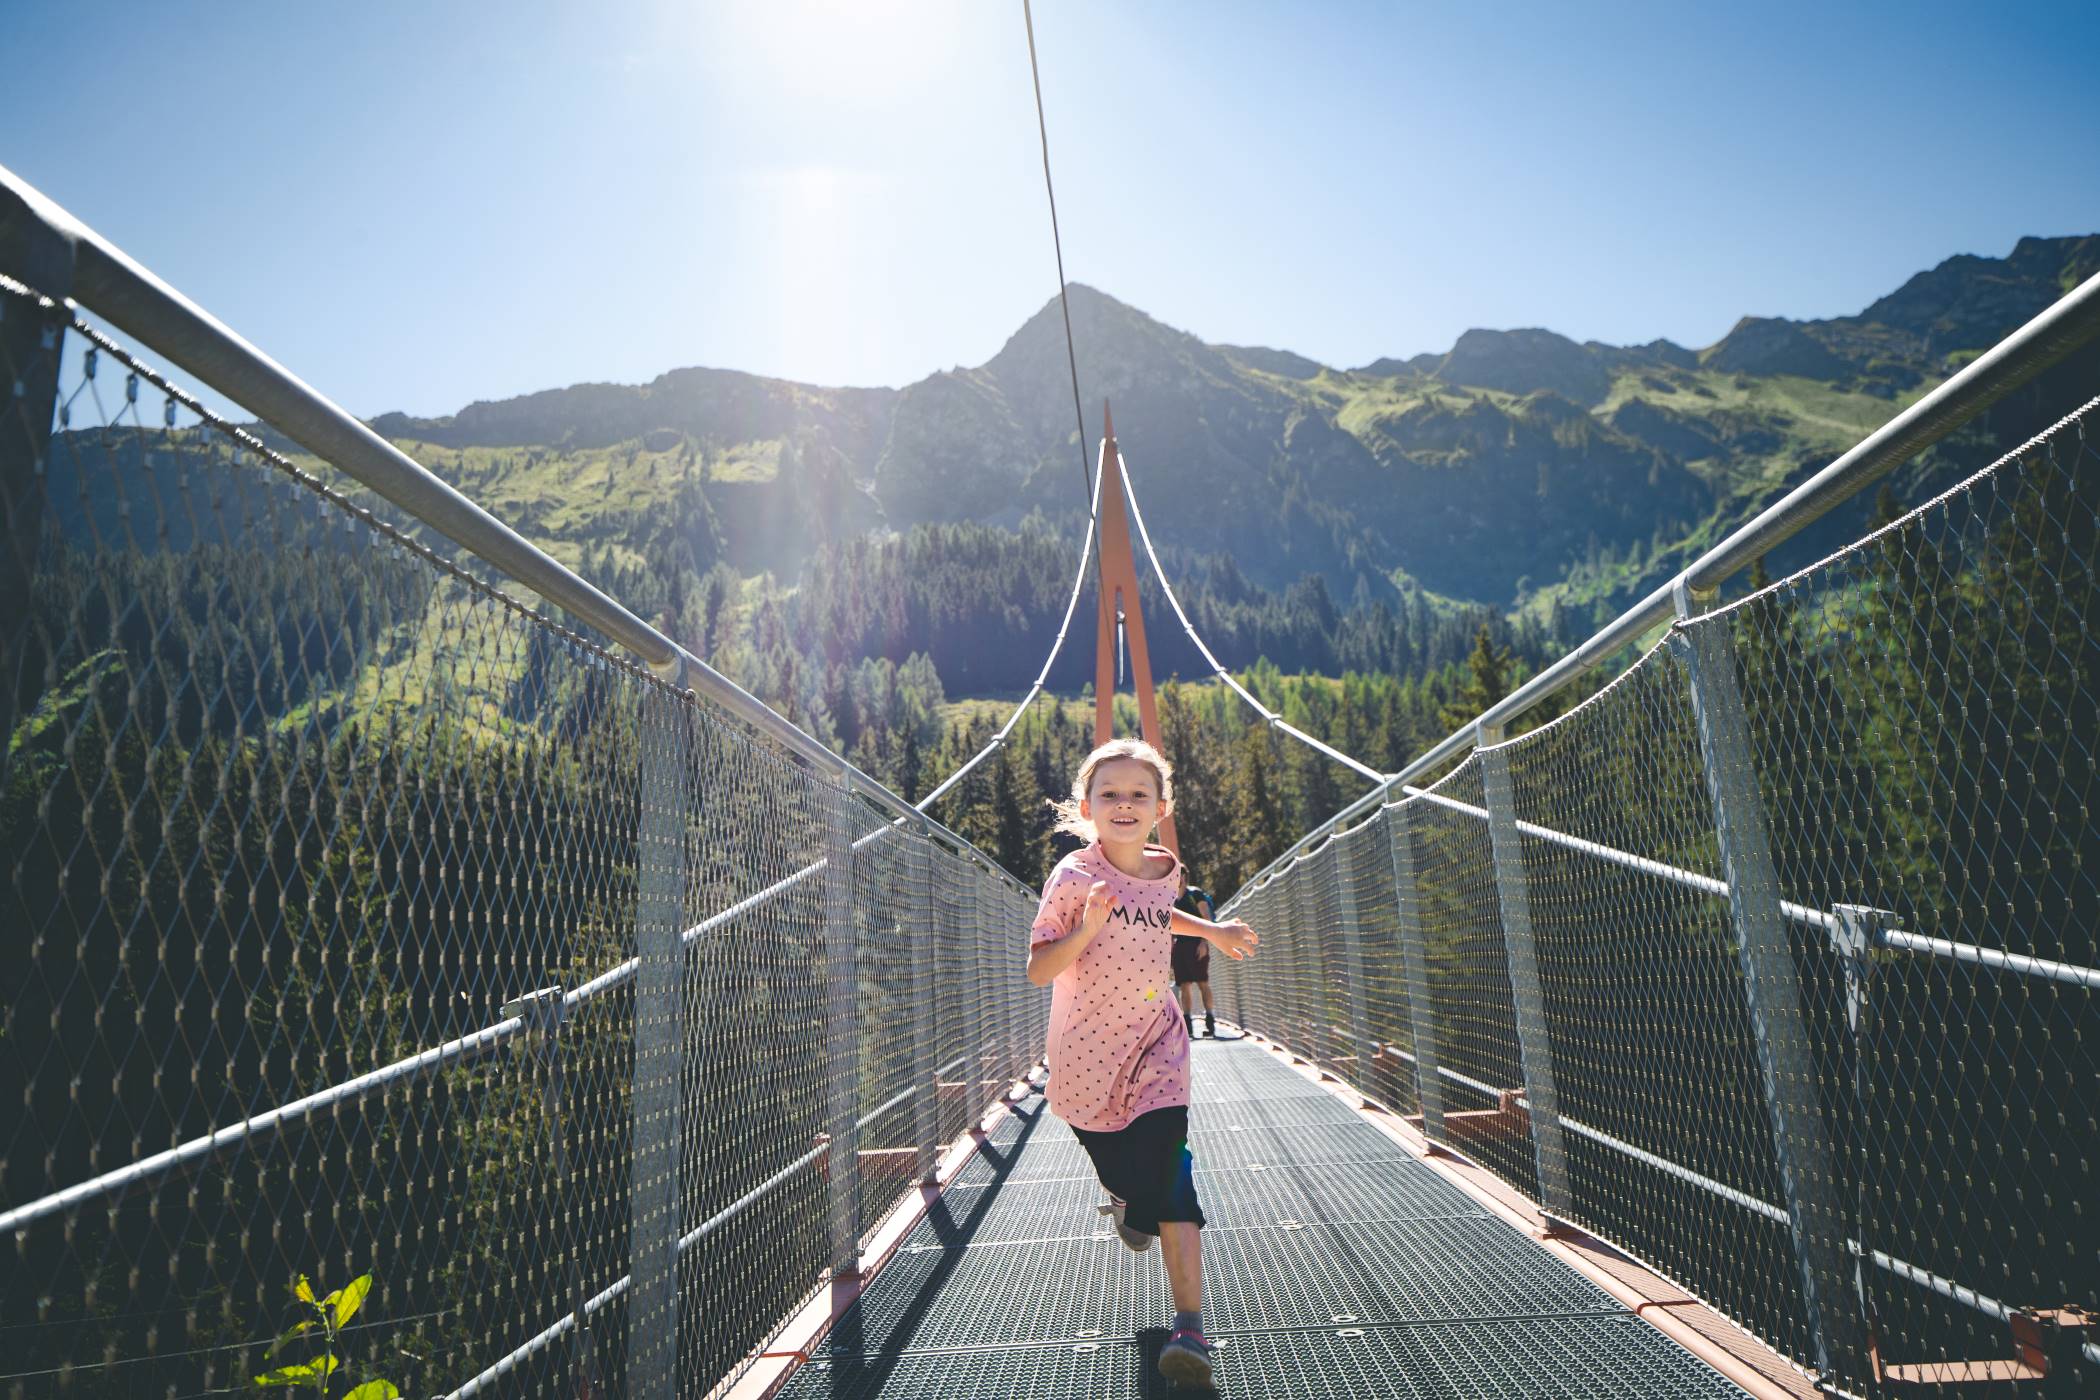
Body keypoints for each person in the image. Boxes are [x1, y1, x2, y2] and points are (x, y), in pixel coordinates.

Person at [1026, 738, 1260, 1389]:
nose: (1124, 805)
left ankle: (1190, 1328)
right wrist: (1086, 930)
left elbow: (1157, 915)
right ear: (1086, 807)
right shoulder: (1074, 878)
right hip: (1084, 1068)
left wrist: (1212, 932)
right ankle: (1129, 1202)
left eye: (1138, 794)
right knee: (1130, 1180)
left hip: (1159, 1047)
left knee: (1176, 1180)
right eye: (1110, 795)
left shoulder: (1166, 870)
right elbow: (1039, 968)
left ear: (1162, 805)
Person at [1172, 871, 1217, 1039]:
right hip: (1181, 945)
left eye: (1180, 874)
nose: (1177, 877)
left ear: (1185, 877)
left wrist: (1204, 942)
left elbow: (1206, 918)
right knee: (1184, 985)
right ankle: (1188, 1024)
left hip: (1197, 944)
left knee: (1202, 983)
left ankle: (1210, 1020)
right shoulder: (1171, 899)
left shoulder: (1195, 894)